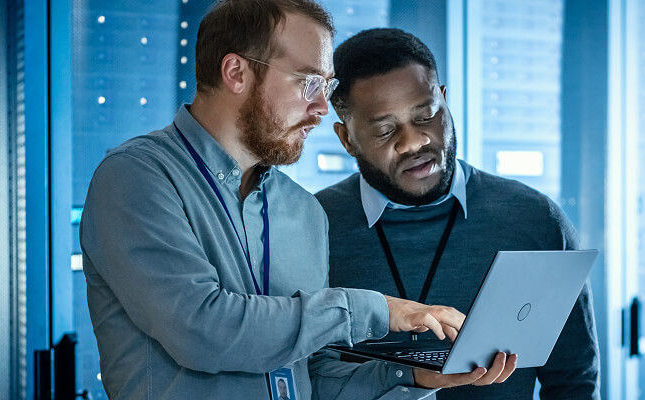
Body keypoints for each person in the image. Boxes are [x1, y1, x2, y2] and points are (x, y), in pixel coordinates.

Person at [79, 2, 513, 399]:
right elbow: (202, 330)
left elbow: (309, 376)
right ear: (236, 73)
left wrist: (411, 377)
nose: (323, 107)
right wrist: (377, 310)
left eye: (327, 85)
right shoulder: (136, 177)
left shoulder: (304, 211)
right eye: (309, 82)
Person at [314, 28, 601, 399]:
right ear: (346, 139)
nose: (415, 142)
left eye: (426, 115)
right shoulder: (312, 225)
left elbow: (574, 381)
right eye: (386, 130)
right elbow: (297, 374)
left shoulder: (534, 219)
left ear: (445, 101)